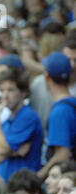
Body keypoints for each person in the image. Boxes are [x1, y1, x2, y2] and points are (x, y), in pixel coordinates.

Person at [0, 69, 43, 182]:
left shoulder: (28, 116)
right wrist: (13, 152)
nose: (5, 96)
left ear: (24, 92)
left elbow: (2, 148)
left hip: (23, 186)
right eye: (2, 90)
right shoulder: (6, 122)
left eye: (10, 90)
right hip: (4, 184)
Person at [37, 52, 76, 180]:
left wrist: (39, 176)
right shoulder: (72, 103)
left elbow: (62, 155)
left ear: (47, 76)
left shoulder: (60, 111)